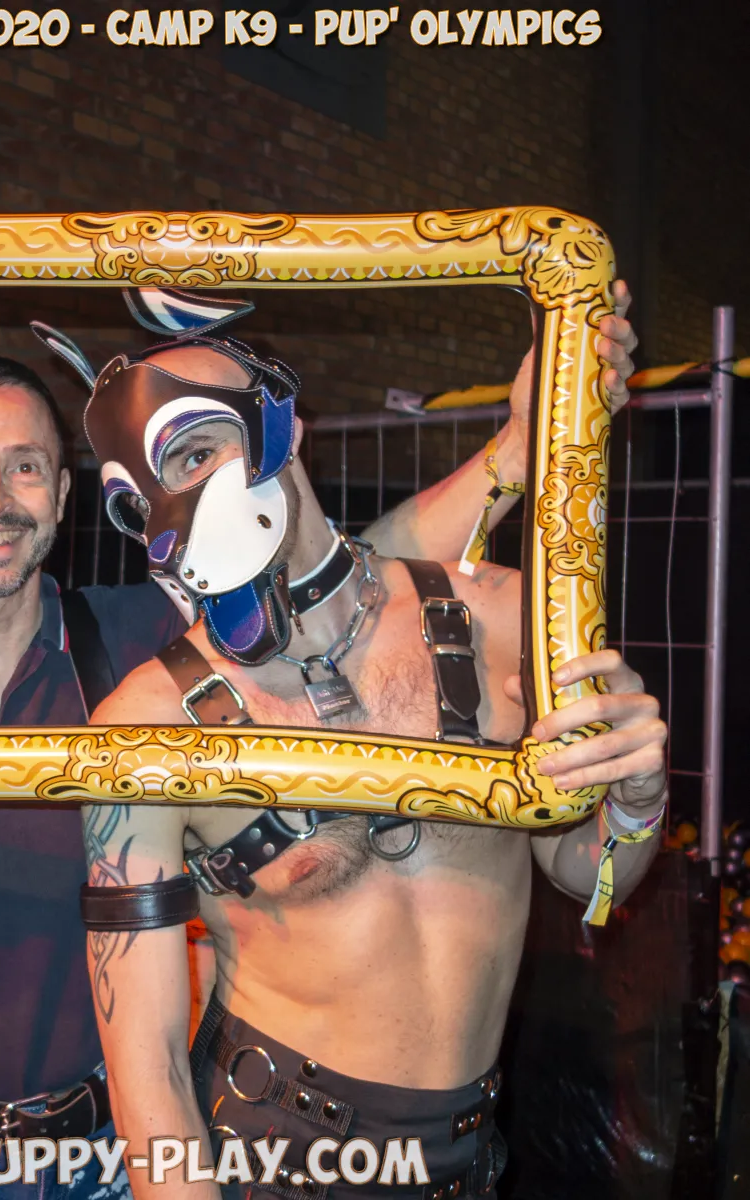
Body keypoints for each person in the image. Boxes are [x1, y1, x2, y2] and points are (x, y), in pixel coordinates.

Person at [0, 290, 637, 1198]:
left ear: (60, 496)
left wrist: (521, 444)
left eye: (25, 466)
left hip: (128, 1145)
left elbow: (342, 574)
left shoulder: (132, 636)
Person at [59, 310, 662, 1200]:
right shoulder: (150, 727)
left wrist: (634, 804)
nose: (174, 508)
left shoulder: (499, 620)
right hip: (274, 1158)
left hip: (467, 1162)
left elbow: (586, 875)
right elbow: (145, 1072)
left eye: (195, 452)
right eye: (139, 497)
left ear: (283, 426)